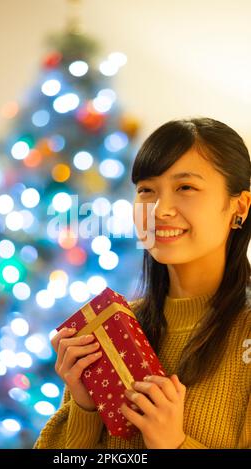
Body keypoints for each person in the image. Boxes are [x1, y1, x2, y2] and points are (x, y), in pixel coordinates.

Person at [34, 117, 251, 449]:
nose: (160, 210)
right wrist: (84, 406)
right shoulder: (113, 326)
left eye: (186, 187)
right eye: (147, 190)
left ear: (240, 205)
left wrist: (174, 444)